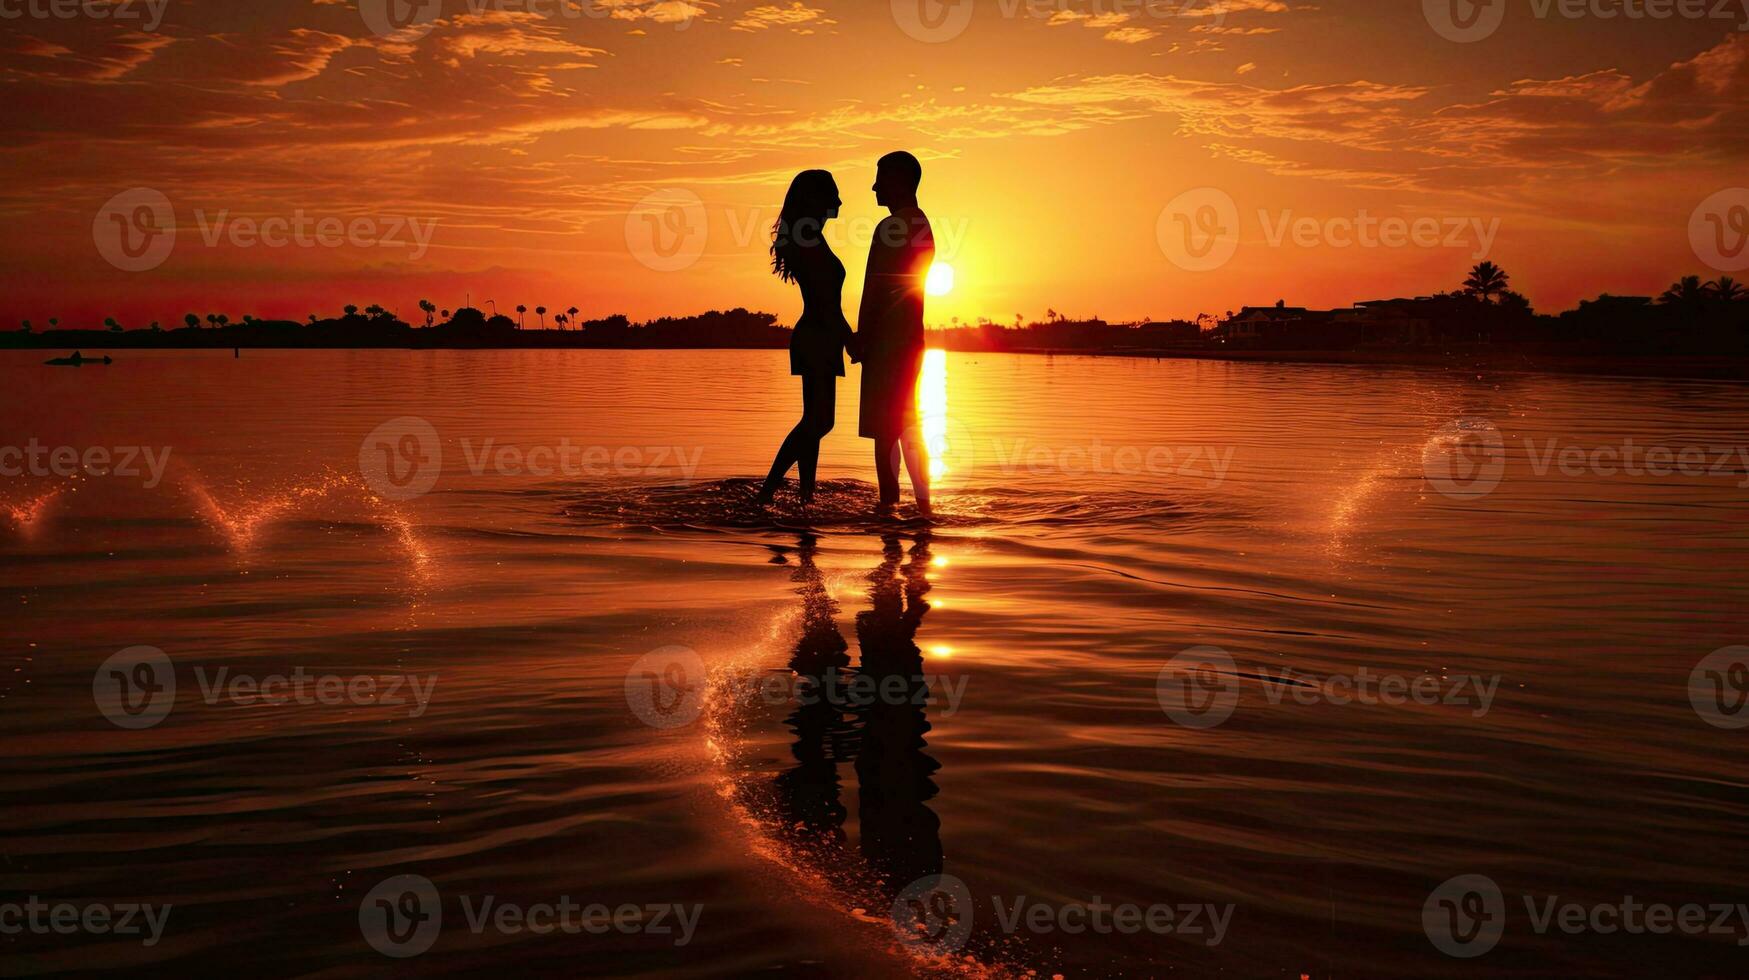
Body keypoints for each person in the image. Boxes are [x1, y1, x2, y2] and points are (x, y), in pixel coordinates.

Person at [759, 170, 854, 505]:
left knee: (813, 421)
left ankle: (805, 496)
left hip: (819, 336)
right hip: (817, 337)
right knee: (820, 421)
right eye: (833, 195)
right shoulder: (809, 239)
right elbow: (826, 302)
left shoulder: (812, 237)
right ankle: (768, 491)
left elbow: (828, 302)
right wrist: (849, 339)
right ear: (814, 199)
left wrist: (844, 337)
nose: (839, 201)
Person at [855, 152, 934, 516]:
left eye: (880, 178)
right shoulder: (922, 223)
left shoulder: (891, 227)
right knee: (907, 423)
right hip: (911, 341)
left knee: (886, 429)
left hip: (887, 344)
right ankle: (922, 507)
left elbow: (875, 288)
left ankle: (887, 509)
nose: (874, 186)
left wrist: (861, 337)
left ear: (900, 181)